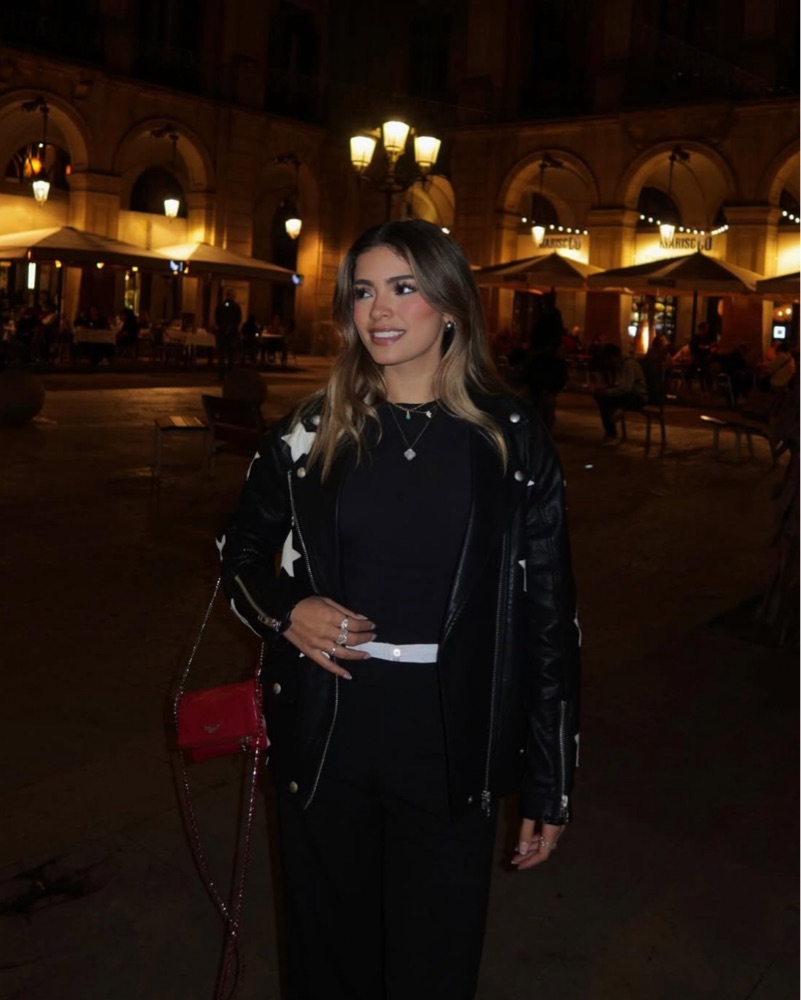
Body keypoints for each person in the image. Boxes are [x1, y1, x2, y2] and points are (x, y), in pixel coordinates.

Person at [216, 219, 581, 1000]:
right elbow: (237, 551)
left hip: (451, 738)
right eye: (363, 291)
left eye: (403, 287)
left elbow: (549, 619)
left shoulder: (511, 440)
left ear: (450, 304)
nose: (378, 310)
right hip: (328, 728)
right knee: (327, 957)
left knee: (433, 961)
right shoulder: (312, 430)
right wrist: (288, 610)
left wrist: (549, 782)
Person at [592, 343, 648, 444]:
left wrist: (607, 392)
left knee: (605, 401)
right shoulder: (620, 365)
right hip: (628, 394)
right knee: (601, 397)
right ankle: (613, 419)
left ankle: (611, 432)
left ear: (613, 357)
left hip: (637, 396)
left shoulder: (628, 365)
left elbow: (626, 388)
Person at [214, 289, 242, 379]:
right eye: (233, 295)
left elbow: (217, 318)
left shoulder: (221, 306)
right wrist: (231, 328)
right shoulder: (235, 307)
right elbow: (238, 320)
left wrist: (223, 327)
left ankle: (222, 375)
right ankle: (229, 375)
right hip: (231, 334)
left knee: (224, 356)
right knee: (230, 356)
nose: (234, 296)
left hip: (224, 333)